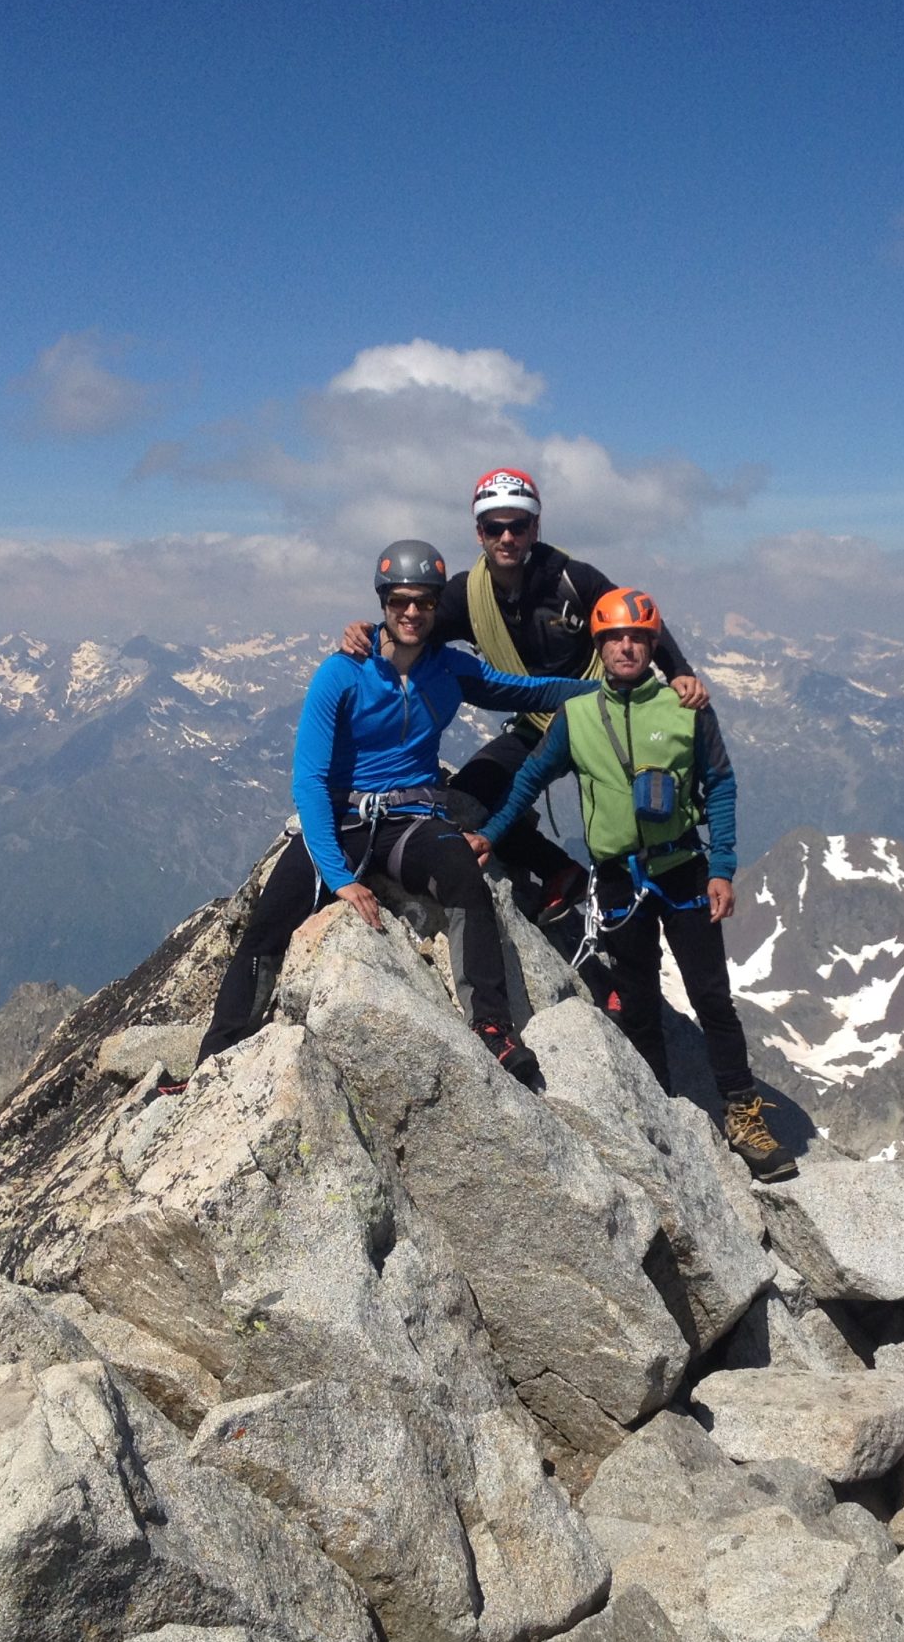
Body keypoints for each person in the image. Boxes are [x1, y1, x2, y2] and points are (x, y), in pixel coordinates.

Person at [190, 539, 598, 1087]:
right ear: (383, 603)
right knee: (268, 924)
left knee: (466, 884)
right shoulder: (340, 673)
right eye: (401, 601)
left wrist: (618, 687)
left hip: (410, 820)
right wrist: (338, 878)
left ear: (436, 606)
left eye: (425, 602)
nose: (412, 612)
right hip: (343, 821)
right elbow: (309, 781)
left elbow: (529, 691)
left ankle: (494, 1030)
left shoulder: (450, 669)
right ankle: (215, 1061)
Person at [470, 587, 797, 1182]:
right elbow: (530, 777)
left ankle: (744, 1116)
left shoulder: (686, 707)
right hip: (620, 881)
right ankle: (664, 1113)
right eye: (615, 638)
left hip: (683, 871)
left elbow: (720, 785)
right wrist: (492, 833)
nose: (627, 646)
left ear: (652, 645)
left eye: (638, 637)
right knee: (639, 1002)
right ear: (599, 647)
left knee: (712, 998)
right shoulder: (577, 717)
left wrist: (722, 866)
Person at [338, 468, 709, 929]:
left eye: (518, 526)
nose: (507, 536)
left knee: (631, 826)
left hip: (602, 716)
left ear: (536, 528)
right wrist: (367, 636)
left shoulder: (571, 579)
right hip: (539, 722)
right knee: (467, 801)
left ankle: (649, 909)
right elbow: (414, 627)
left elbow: (634, 617)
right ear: (480, 533)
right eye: (495, 527)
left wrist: (680, 674)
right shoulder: (466, 596)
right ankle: (559, 870)